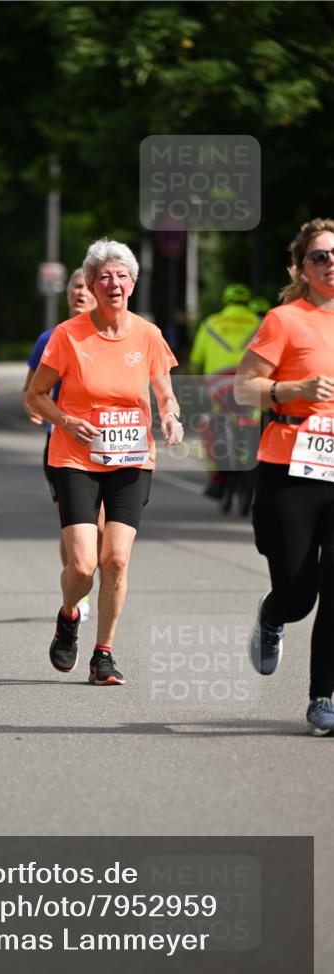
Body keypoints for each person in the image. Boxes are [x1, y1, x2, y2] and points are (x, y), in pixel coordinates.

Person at [26, 238, 183, 685]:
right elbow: (35, 395)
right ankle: (69, 614)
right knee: (82, 566)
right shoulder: (67, 336)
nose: (114, 284)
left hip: (132, 459)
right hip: (75, 457)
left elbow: (165, 394)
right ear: (91, 285)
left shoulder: (148, 336)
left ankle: (104, 654)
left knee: (115, 559)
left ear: (132, 283)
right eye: (104, 277)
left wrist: (171, 418)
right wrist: (66, 421)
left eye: (122, 276)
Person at [234, 217, 334, 736]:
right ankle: (273, 616)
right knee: (298, 595)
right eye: (320, 256)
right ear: (302, 267)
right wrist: (291, 388)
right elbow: (243, 388)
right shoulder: (283, 319)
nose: (331, 263)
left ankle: (324, 698)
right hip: (291, 464)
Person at [22, 268, 99, 620]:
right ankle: (77, 591)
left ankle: (80, 581)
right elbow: (30, 391)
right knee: (74, 525)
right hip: (62, 447)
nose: (79, 292)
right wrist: (37, 410)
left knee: (99, 528)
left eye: (86, 287)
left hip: (108, 447)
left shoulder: (114, 336)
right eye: (74, 286)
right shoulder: (49, 338)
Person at [190, 283, 261, 500]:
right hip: (249, 380)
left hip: (218, 382)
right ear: (247, 303)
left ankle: (217, 478)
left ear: (225, 303)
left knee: (211, 423)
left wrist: (197, 382)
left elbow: (196, 361)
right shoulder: (260, 323)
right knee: (255, 419)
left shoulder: (211, 323)